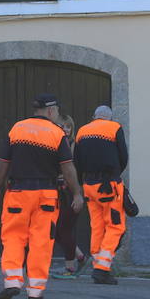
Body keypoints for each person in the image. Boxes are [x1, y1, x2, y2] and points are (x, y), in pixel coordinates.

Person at [0, 94, 84, 299]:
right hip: (46, 196)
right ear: (51, 110)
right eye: (57, 111)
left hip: (18, 193)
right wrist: (77, 193)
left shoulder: (17, 129)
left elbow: (3, 162)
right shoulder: (56, 133)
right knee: (41, 241)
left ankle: (12, 281)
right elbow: (67, 168)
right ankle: (35, 290)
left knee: (13, 237)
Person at [75, 104, 131, 286]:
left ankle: (98, 266)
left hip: (89, 186)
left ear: (94, 116)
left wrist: (81, 182)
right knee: (115, 226)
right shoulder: (114, 128)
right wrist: (114, 174)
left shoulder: (82, 131)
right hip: (109, 186)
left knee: (97, 226)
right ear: (110, 117)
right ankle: (102, 268)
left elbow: (77, 161)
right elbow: (123, 157)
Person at [51, 114, 88, 279]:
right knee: (56, 231)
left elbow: (74, 170)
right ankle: (80, 257)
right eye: (62, 126)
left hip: (71, 192)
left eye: (68, 127)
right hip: (57, 193)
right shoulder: (54, 143)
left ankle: (70, 268)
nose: (65, 129)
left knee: (63, 229)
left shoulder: (74, 146)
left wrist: (77, 192)